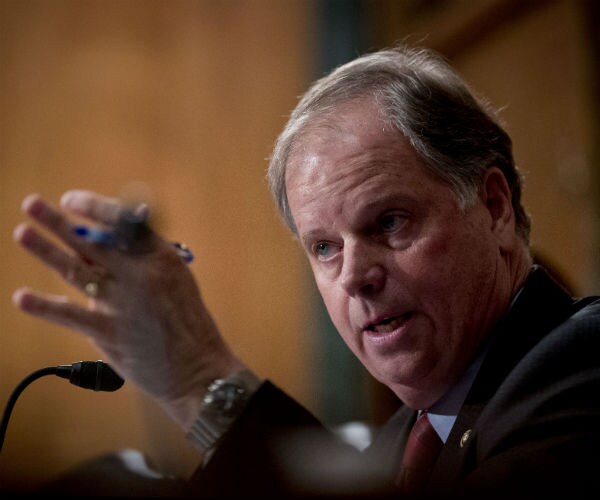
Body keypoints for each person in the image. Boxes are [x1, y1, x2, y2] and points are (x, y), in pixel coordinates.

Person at [11, 44, 600, 498]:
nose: (354, 275)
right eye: (323, 247)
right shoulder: (404, 439)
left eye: (389, 222)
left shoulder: (582, 365)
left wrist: (197, 375)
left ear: (494, 208)